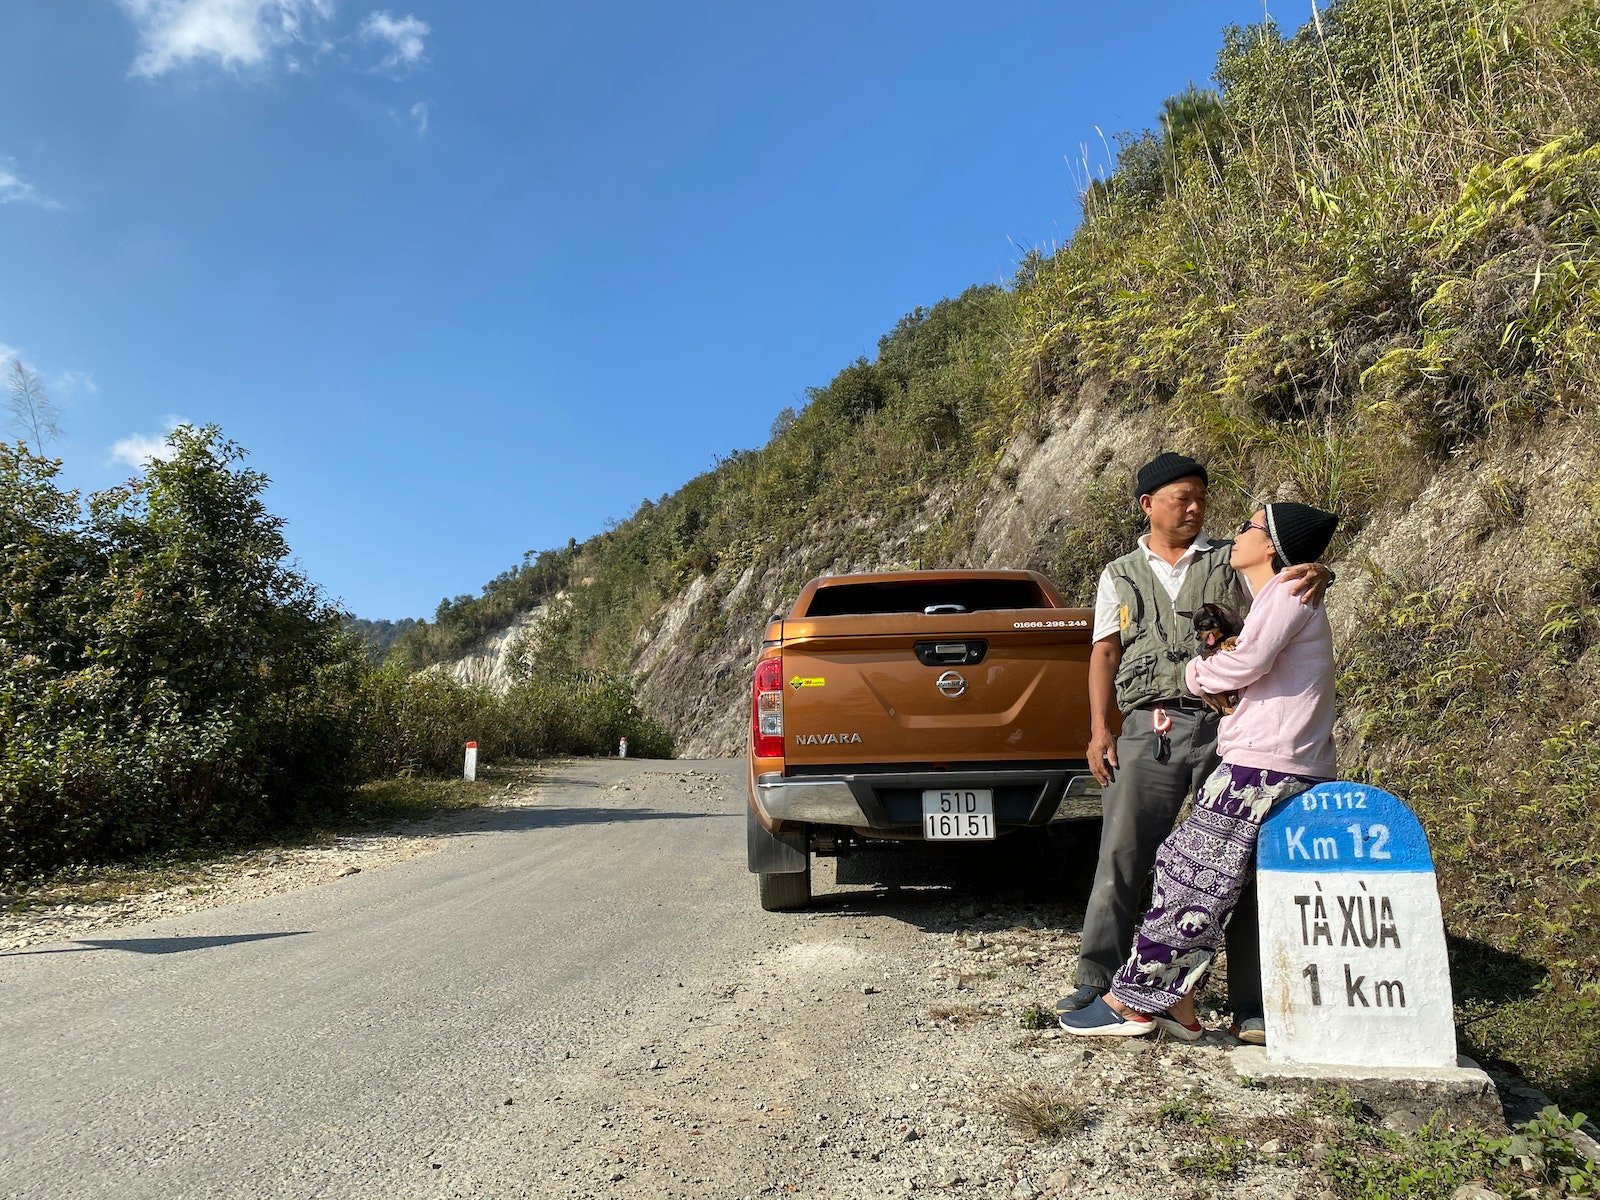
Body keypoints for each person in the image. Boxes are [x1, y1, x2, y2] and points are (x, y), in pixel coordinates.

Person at [1055, 454, 1330, 1045]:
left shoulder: (1228, 561)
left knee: (1240, 867)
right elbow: (1104, 652)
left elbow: (1281, 590)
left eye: (1201, 497)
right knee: (1122, 853)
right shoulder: (1118, 574)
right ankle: (1099, 977)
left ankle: (1249, 1002)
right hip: (1145, 729)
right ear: (1147, 505)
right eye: (1181, 498)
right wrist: (1100, 730)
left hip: (1226, 727)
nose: (1195, 508)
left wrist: (1318, 573)